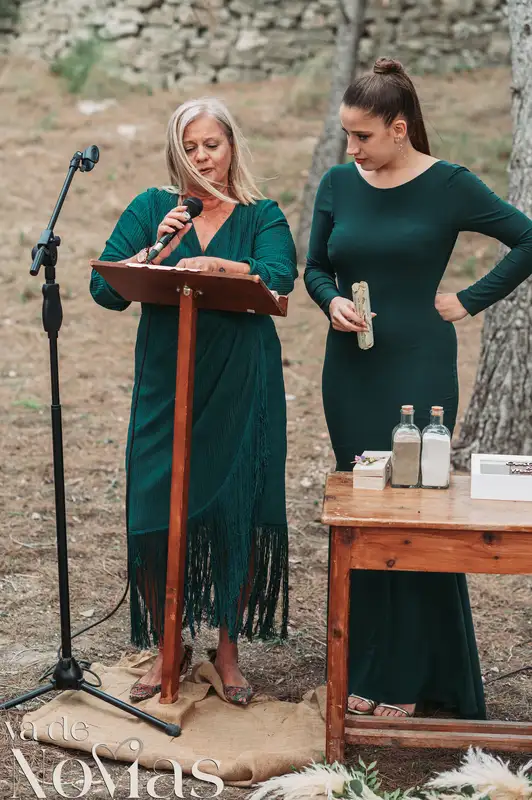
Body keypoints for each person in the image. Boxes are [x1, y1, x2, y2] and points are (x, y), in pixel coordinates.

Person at [305, 57, 532, 719]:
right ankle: (365, 668)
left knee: (416, 511)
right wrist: (330, 302)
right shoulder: (339, 184)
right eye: (347, 136)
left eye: (363, 136)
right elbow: (316, 265)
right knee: (363, 513)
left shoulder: (450, 185)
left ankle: (420, 677)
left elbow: (526, 239)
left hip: (420, 371)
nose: (350, 148)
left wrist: (470, 298)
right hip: (350, 370)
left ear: (399, 129)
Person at [91, 97, 297, 705]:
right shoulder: (154, 208)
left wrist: (223, 264)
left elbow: (278, 276)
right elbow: (106, 288)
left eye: (212, 144)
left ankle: (227, 649)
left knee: (237, 506)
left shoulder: (262, 214)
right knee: (155, 508)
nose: (202, 157)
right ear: (175, 151)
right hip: (165, 378)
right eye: (191, 147)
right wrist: (155, 251)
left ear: (232, 146)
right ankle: (167, 645)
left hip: (239, 380)